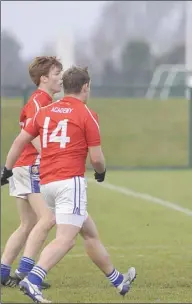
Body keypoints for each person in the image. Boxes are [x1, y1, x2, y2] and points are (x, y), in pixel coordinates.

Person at [0, 66, 137, 303]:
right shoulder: (87, 114)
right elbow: (96, 158)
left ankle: (118, 281)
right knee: (66, 239)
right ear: (85, 87)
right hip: (69, 183)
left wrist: (7, 170)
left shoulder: (45, 111)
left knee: (89, 232)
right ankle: (32, 280)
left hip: (46, 183)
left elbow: (20, 141)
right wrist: (101, 172)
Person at [1, 56, 63, 289]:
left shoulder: (43, 101)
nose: (61, 79)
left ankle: (3, 272)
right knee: (48, 219)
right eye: (57, 74)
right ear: (44, 78)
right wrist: (57, 160)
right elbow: (35, 140)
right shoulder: (39, 103)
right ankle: (24, 273)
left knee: (27, 223)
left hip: (23, 167)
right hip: (30, 167)